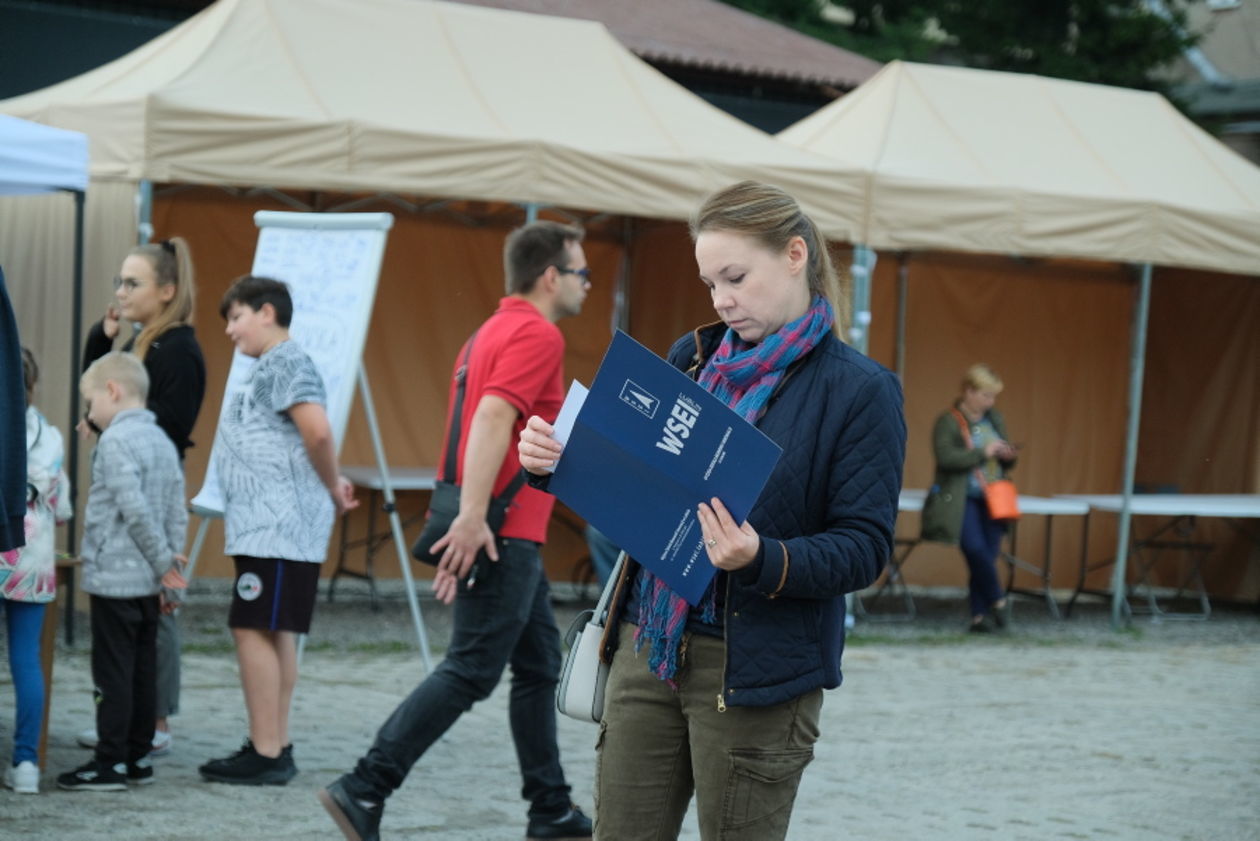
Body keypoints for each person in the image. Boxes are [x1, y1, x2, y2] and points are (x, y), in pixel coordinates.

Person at [518, 181, 906, 841]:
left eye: (735, 277)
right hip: (650, 646)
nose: (722, 299)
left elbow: (865, 548)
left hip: (756, 672)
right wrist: (555, 461)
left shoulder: (861, 390)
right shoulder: (691, 359)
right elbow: (639, 492)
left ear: (793, 255)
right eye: (709, 283)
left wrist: (762, 556)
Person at [319, 221, 594, 841]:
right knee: (470, 669)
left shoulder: (487, 332)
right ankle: (364, 786)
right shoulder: (537, 333)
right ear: (551, 276)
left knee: (538, 665)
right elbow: (494, 417)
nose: (586, 287)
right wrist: (473, 519)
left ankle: (549, 807)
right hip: (504, 530)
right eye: (582, 274)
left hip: (505, 526)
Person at [198, 276, 357, 786]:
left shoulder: (286, 359)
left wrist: (333, 485)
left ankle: (267, 752)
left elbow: (318, 430)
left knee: (252, 628)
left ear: (267, 312)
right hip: (267, 528)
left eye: (236, 315)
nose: (229, 329)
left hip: (278, 527)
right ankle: (274, 742)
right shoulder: (273, 364)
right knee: (270, 629)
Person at [78, 237, 206, 758]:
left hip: (150, 497)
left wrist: (118, 444)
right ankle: (128, 725)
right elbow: (99, 386)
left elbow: (165, 429)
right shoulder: (139, 340)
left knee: (155, 610)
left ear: (167, 290)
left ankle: (152, 725)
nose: (121, 292)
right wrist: (101, 336)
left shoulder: (177, 349)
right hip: (129, 495)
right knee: (130, 622)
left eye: (133, 283)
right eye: (119, 282)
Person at [57, 352, 188, 792]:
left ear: (112, 391)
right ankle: (138, 758)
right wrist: (171, 568)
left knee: (112, 673)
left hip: (116, 579)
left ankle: (108, 763)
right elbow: (175, 511)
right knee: (142, 669)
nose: (89, 414)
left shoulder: (115, 442)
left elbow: (133, 510)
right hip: (151, 583)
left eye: (90, 402)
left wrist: (163, 566)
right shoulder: (162, 442)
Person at [1, 349, 72, 794]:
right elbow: (61, 507)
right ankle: (26, 762)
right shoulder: (51, 436)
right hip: (32, 561)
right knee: (27, 660)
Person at [921, 363, 1018, 632]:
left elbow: (1002, 457)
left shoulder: (994, 418)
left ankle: (979, 617)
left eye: (993, 396)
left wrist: (1007, 456)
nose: (991, 401)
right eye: (986, 395)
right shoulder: (948, 421)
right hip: (961, 498)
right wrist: (982, 453)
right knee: (974, 549)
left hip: (993, 497)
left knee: (987, 555)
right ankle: (998, 601)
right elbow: (946, 457)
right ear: (969, 391)